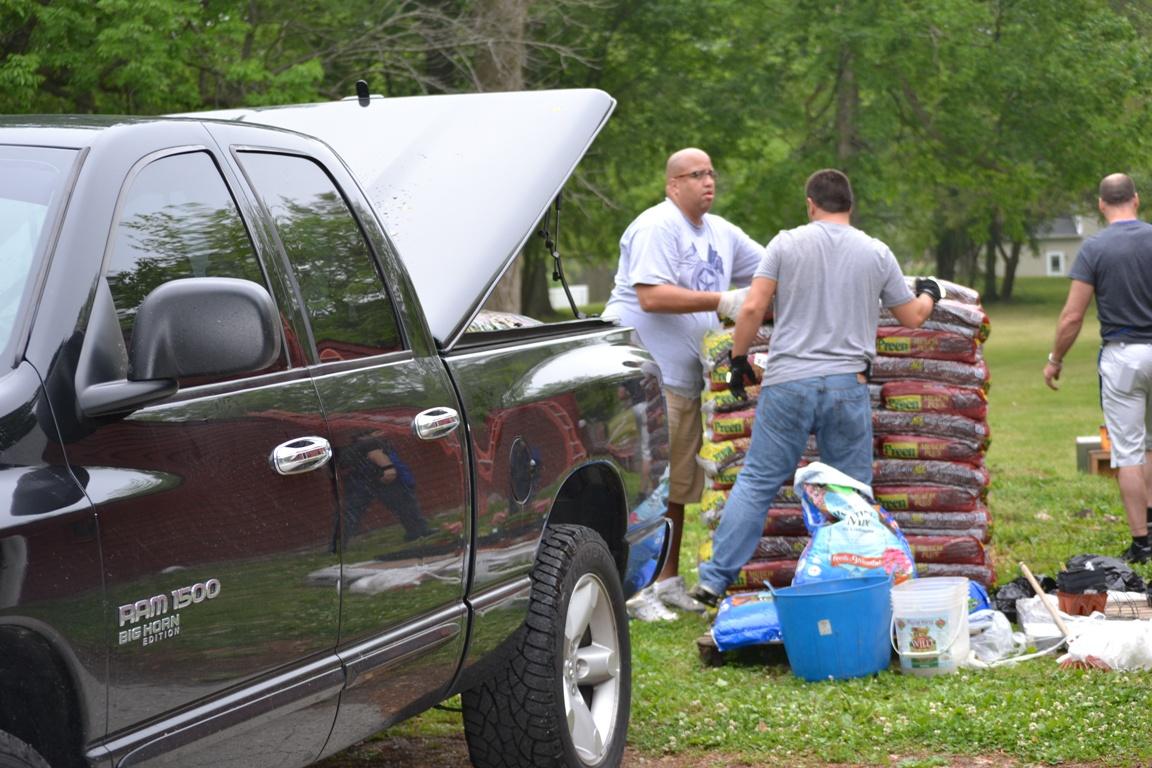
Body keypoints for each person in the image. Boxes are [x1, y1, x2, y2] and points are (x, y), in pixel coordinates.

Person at [688, 168, 942, 607]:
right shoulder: (876, 252)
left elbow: (752, 307)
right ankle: (852, 582)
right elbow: (912, 317)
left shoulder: (785, 244)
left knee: (758, 481)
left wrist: (738, 362)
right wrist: (930, 293)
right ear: (850, 206)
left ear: (810, 204)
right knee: (849, 491)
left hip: (787, 383)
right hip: (847, 385)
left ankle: (713, 581)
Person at [602, 147, 765, 621]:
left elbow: (770, 269)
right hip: (644, 376)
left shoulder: (722, 232)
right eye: (696, 175)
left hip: (686, 379)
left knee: (676, 486)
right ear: (673, 185)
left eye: (711, 173)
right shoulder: (658, 226)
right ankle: (634, 590)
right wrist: (722, 300)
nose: (708, 181)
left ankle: (666, 580)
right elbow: (651, 297)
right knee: (644, 485)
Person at [1043, 172, 1152, 564]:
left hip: (1122, 357)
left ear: (1101, 204)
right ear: (1135, 199)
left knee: (1129, 452)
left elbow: (1073, 316)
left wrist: (1055, 359)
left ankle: (1142, 543)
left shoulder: (1094, 248)